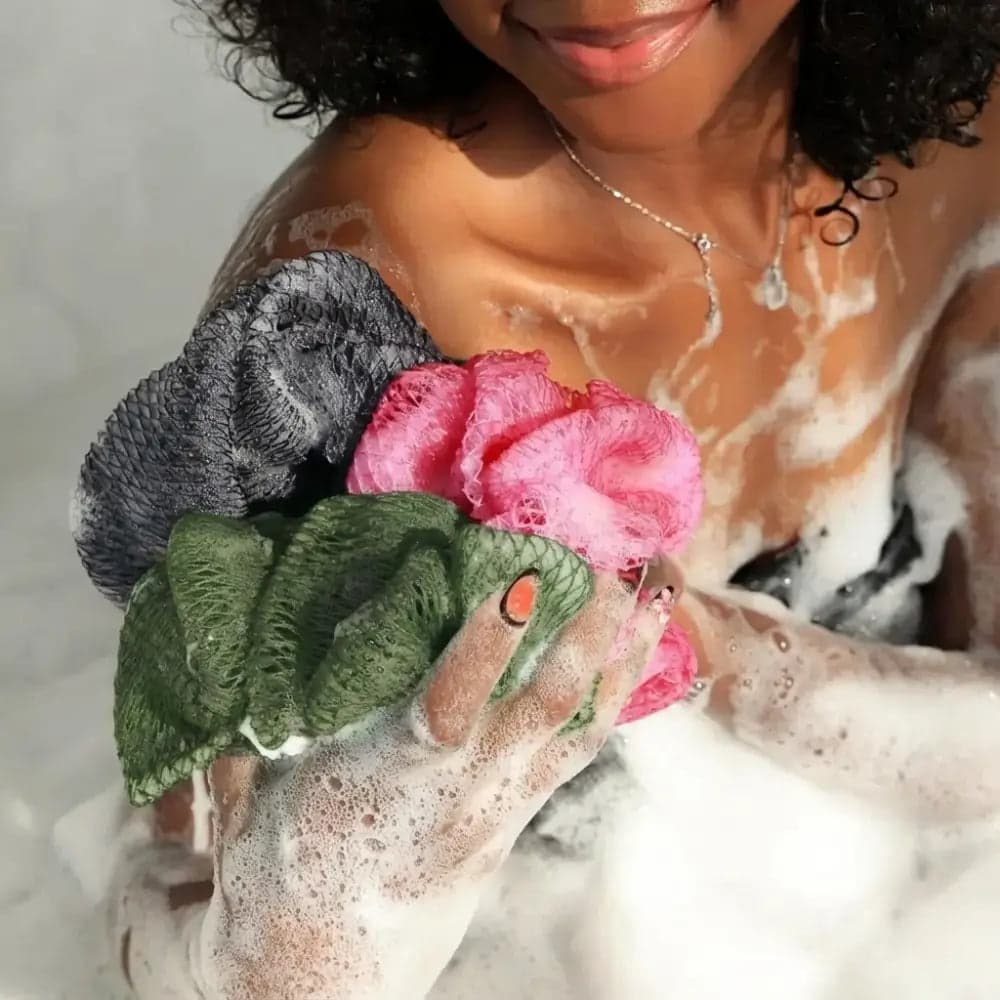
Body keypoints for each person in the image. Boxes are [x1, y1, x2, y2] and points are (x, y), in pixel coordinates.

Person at [83, 1, 1000, 996]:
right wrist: (305, 944)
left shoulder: (959, 139)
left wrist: (709, 651)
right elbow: (196, 901)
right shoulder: (339, 327)